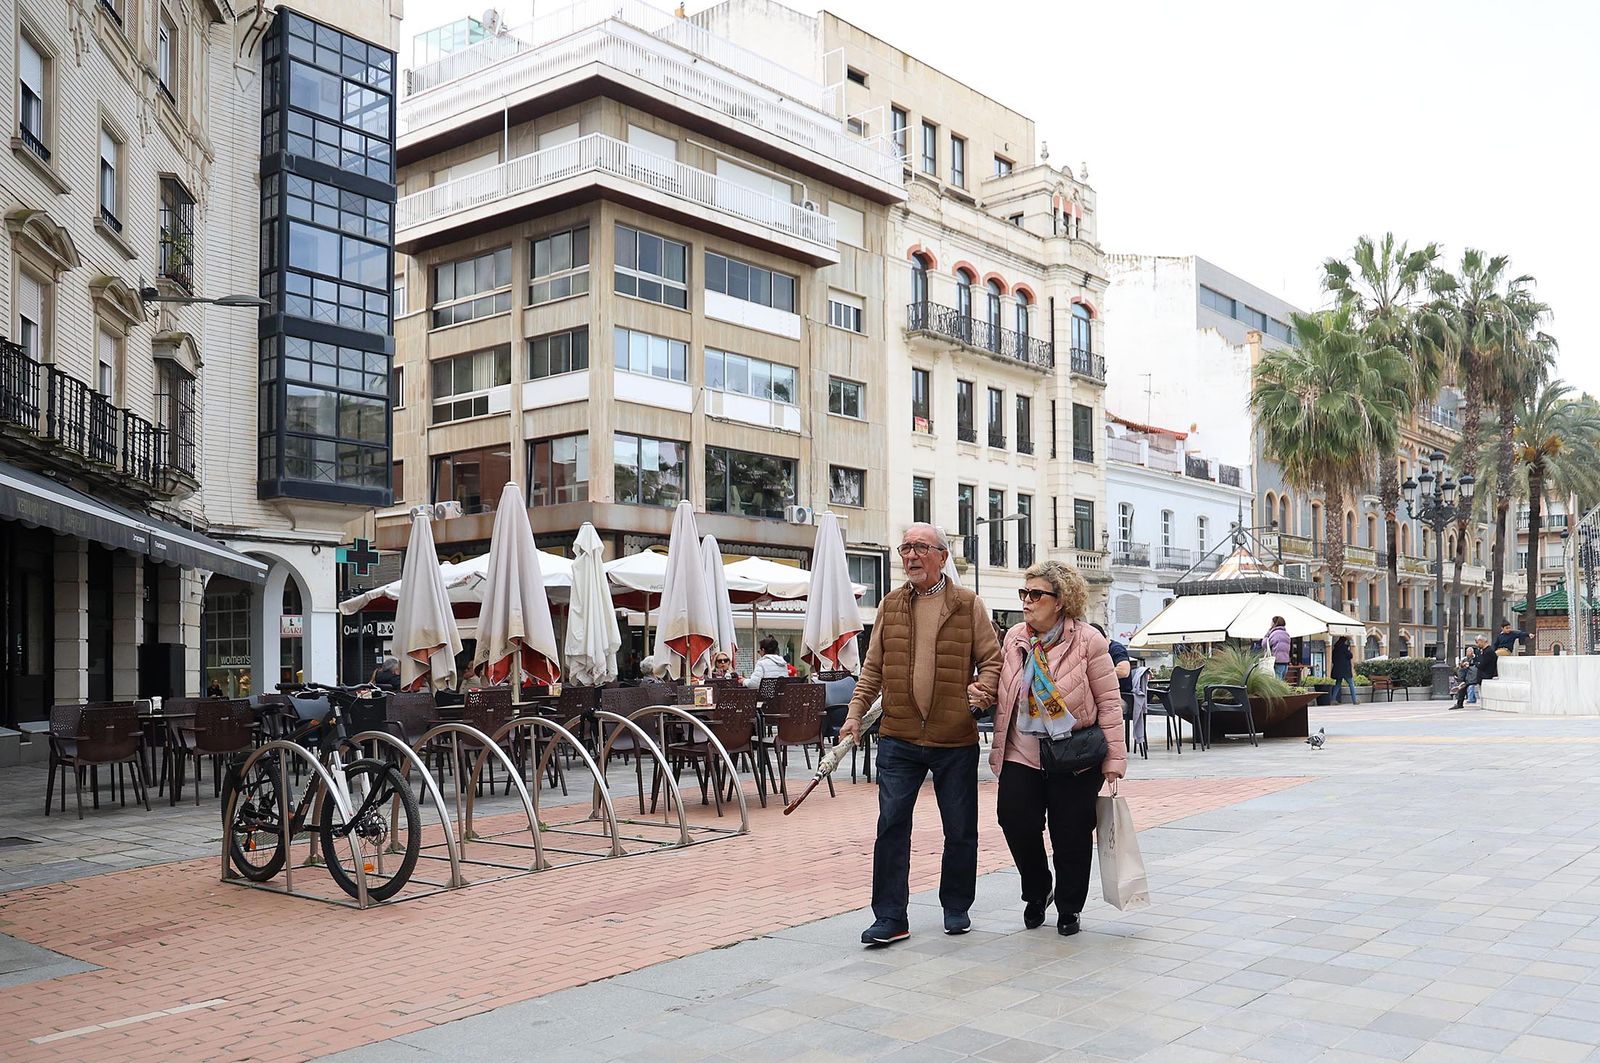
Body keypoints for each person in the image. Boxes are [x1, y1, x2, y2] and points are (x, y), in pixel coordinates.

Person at [840, 522, 1002, 945]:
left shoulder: (968, 605)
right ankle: (890, 917)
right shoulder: (890, 605)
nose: (910, 555)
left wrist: (979, 698)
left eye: (920, 547)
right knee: (891, 826)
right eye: (905, 548)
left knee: (960, 829)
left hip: (954, 738)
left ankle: (956, 906)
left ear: (942, 557)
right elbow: (872, 668)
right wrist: (855, 714)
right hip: (898, 736)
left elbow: (992, 661)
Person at [986, 561, 1126, 936]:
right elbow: (1001, 687)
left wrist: (1114, 759)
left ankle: (1069, 907)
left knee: (1071, 834)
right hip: (1021, 751)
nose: (1026, 601)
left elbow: (1109, 703)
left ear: (1060, 600)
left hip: (1074, 756)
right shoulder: (1014, 638)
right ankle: (1037, 889)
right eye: (1024, 593)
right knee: (1014, 819)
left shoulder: (1089, 641)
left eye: (1036, 594)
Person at [1092, 623, 1134, 694]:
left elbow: (1123, 671)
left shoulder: (1116, 649)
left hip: (1121, 694)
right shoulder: (1101, 650)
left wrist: (1097, 674)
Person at [1453, 635, 1490, 709]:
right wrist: (1466, 664)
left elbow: (1480, 663)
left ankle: (1462, 701)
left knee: (1465, 686)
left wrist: (1471, 664)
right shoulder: (1477, 652)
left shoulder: (1484, 652)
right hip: (1473, 674)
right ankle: (1460, 702)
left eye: (1477, 642)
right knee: (1464, 686)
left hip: (1479, 674)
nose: (1477, 644)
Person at [1330, 636, 1357, 704]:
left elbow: (1333, 660)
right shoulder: (1344, 648)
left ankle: (1333, 699)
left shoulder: (1335, 649)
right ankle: (1354, 700)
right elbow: (1350, 656)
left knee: (1338, 684)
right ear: (1344, 641)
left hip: (1337, 670)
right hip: (1345, 670)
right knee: (1351, 684)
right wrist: (1348, 649)